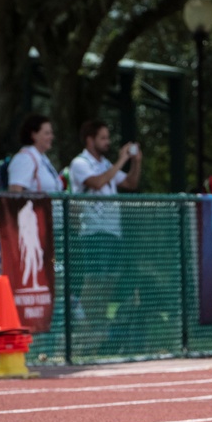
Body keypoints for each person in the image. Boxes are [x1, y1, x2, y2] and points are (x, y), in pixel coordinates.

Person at [68, 120, 143, 350]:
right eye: (103, 138)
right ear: (90, 140)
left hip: (112, 231)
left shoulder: (107, 164)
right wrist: (122, 159)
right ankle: (85, 329)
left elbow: (130, 182)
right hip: (93, 231)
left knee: (109, 279)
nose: (107, 142)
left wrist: (136, 162)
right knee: (94, 279)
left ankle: (97, 329)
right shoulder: (80, 163)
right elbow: (98, 183)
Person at [8, 114, 64, 193]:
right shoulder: (24, 158)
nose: (51, 137)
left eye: (51, 133)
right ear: (34, 135)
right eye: (47, 133)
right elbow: (15, 191)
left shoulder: (42, 158)